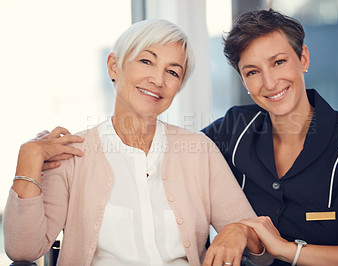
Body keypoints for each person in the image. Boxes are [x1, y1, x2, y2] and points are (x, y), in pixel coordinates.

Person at [3, 19, 265, 266]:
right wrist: (28, 158)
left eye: (173, 72)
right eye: (146, 61)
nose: (158, 80)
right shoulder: (72, 154)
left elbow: (261, 248)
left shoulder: (199, 149)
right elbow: (23, 250)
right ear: (114, 66)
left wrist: (239, 230)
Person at [202, 9, 338, 266]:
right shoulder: (232, 130)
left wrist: (288, 250)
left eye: (278, 62)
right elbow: (169, 153)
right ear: (243, 81)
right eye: (252, 72)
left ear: (303, 59)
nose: (270, 83)